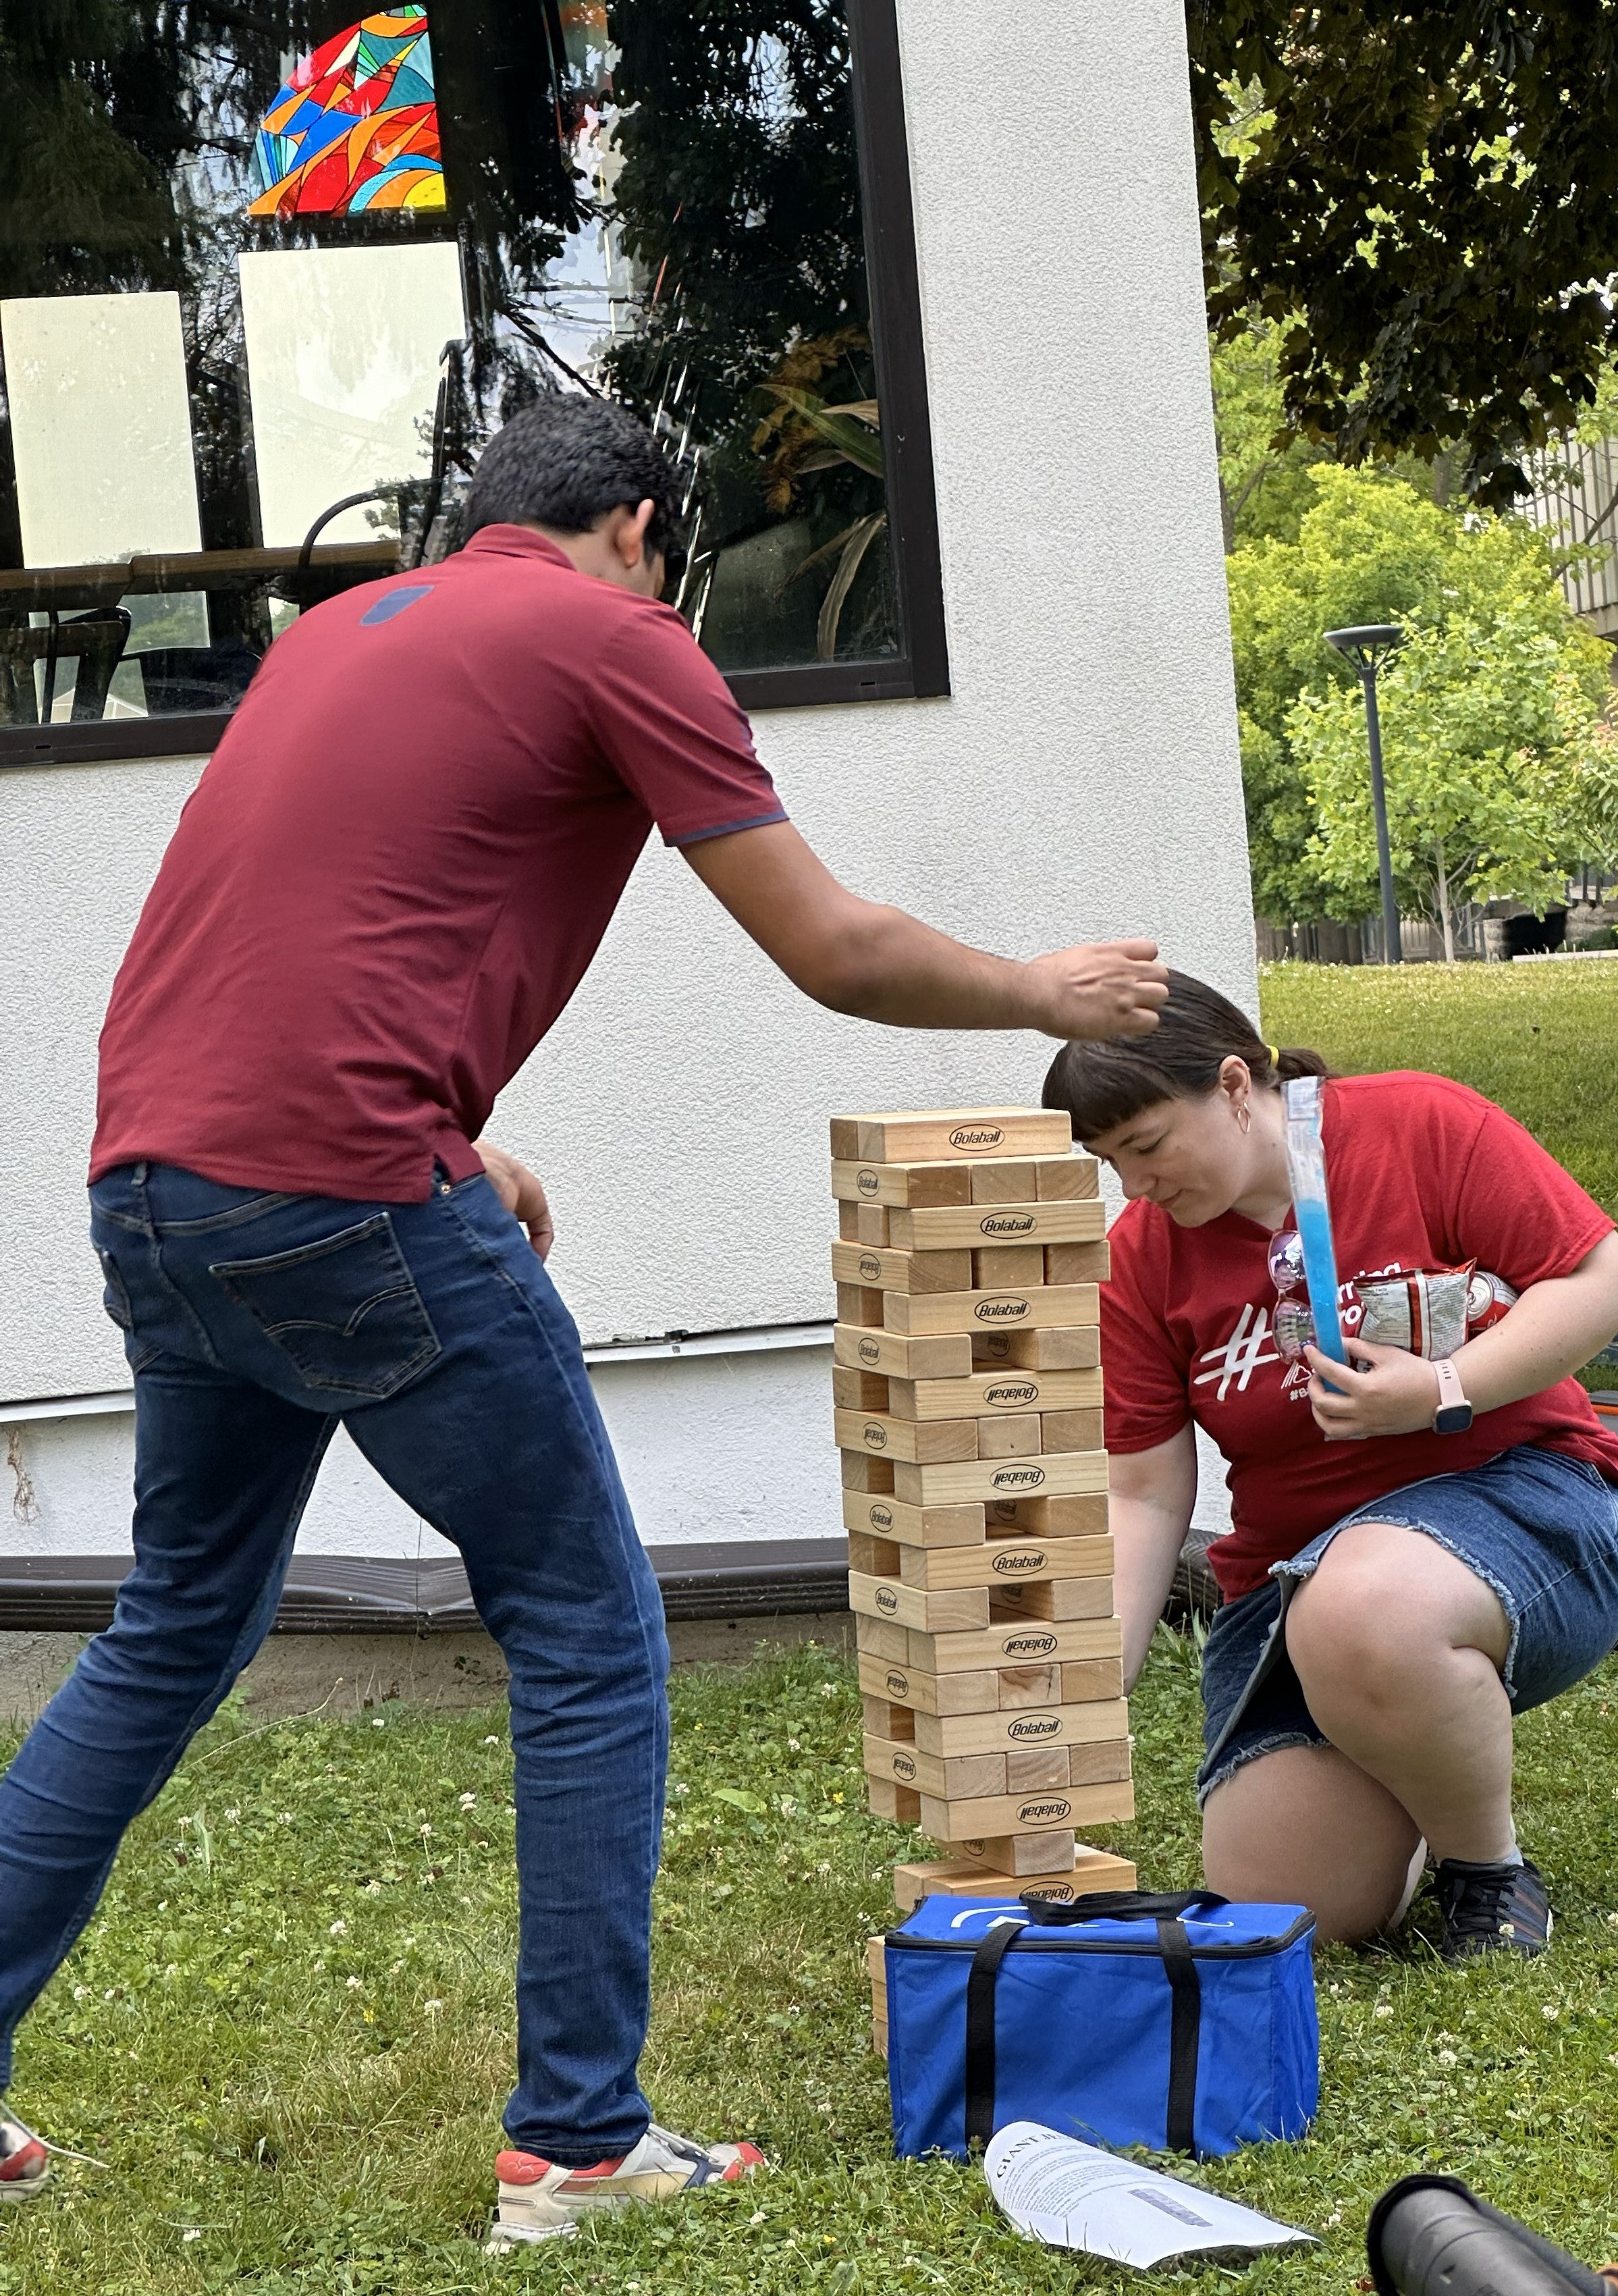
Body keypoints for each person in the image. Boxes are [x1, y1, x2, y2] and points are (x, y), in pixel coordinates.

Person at [0, 396, 1166, 2243]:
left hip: (156, 1192)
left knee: (166, 1636)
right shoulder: (618, 634)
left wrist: (455, 1138)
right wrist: (1045, 984)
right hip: (342, 1192)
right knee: (590, 1629)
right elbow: (833, 947)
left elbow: (318, 942)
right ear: (638, 526)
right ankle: (580, 2138)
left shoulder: (337, 637)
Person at [1044, 975, 1618, 1964]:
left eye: (1147, 1148)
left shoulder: (1420, 1124)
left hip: (1534, 1501)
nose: (1136, 1187)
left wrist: (1445, 1386)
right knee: (1293, 1909)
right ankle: (1408, 1757)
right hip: (1296, 1590)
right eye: (1111, 1164)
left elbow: (1600, 1278)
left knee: (1361, 1601)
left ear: (1236, 1084)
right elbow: (1146, 1493)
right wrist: (1096, 1671)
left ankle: (1486, 1870)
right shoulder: (1140, 1258)